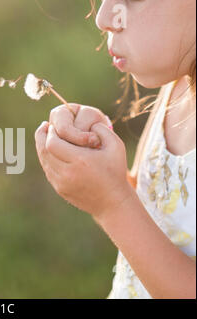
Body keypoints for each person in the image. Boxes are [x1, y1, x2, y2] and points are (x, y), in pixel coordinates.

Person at [34, 0, 196, 299]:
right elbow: (154, 207)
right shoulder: (179, 86)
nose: (104, 17)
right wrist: (102, 165)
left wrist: (112, 204)